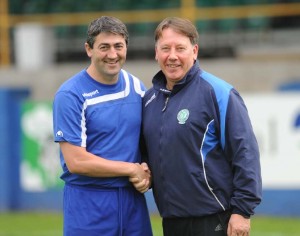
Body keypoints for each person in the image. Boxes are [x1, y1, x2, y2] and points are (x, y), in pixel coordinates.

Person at [141, 17, 262, 236]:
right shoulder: (149, 100)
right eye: (165, 48)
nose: (172, 56)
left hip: (215, 219)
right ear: (156, 53)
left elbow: (245, 152)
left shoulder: (218, 93)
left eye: (180, 48)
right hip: (171, 221)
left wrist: (242, 211)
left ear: (194, 51)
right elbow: (147, 156)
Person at [53, 16, 153, 236]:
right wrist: (130, 168)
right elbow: (76, 161)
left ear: (126, 46)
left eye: (118, 46)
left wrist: (147, 169)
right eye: (104, 47)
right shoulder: (70, 94)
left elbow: (148, 140)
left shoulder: (137, 86)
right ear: (89, 49)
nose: (112, 54)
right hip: (89, 203)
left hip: (132, 201)